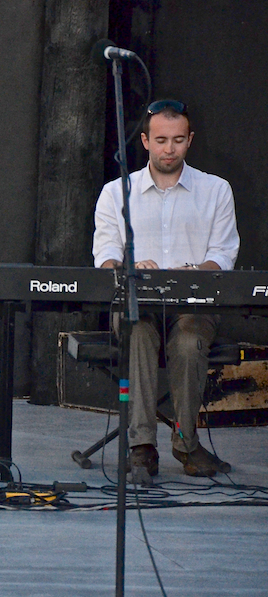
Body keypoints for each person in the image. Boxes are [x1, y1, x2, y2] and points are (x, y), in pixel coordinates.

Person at [92, 99, 239, 479]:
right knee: (138, 334)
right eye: (160, 140)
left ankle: (185, 442)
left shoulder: (216, 189)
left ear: (190, 140)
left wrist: (192, 271)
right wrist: (128, 269)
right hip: (136, 302)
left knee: (189, 343)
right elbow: (105, 255)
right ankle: (141, 447)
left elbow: (223, 255)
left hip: (193, 305)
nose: (169, 149)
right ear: (145, 141)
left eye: (177, 140)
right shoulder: (116, 192)